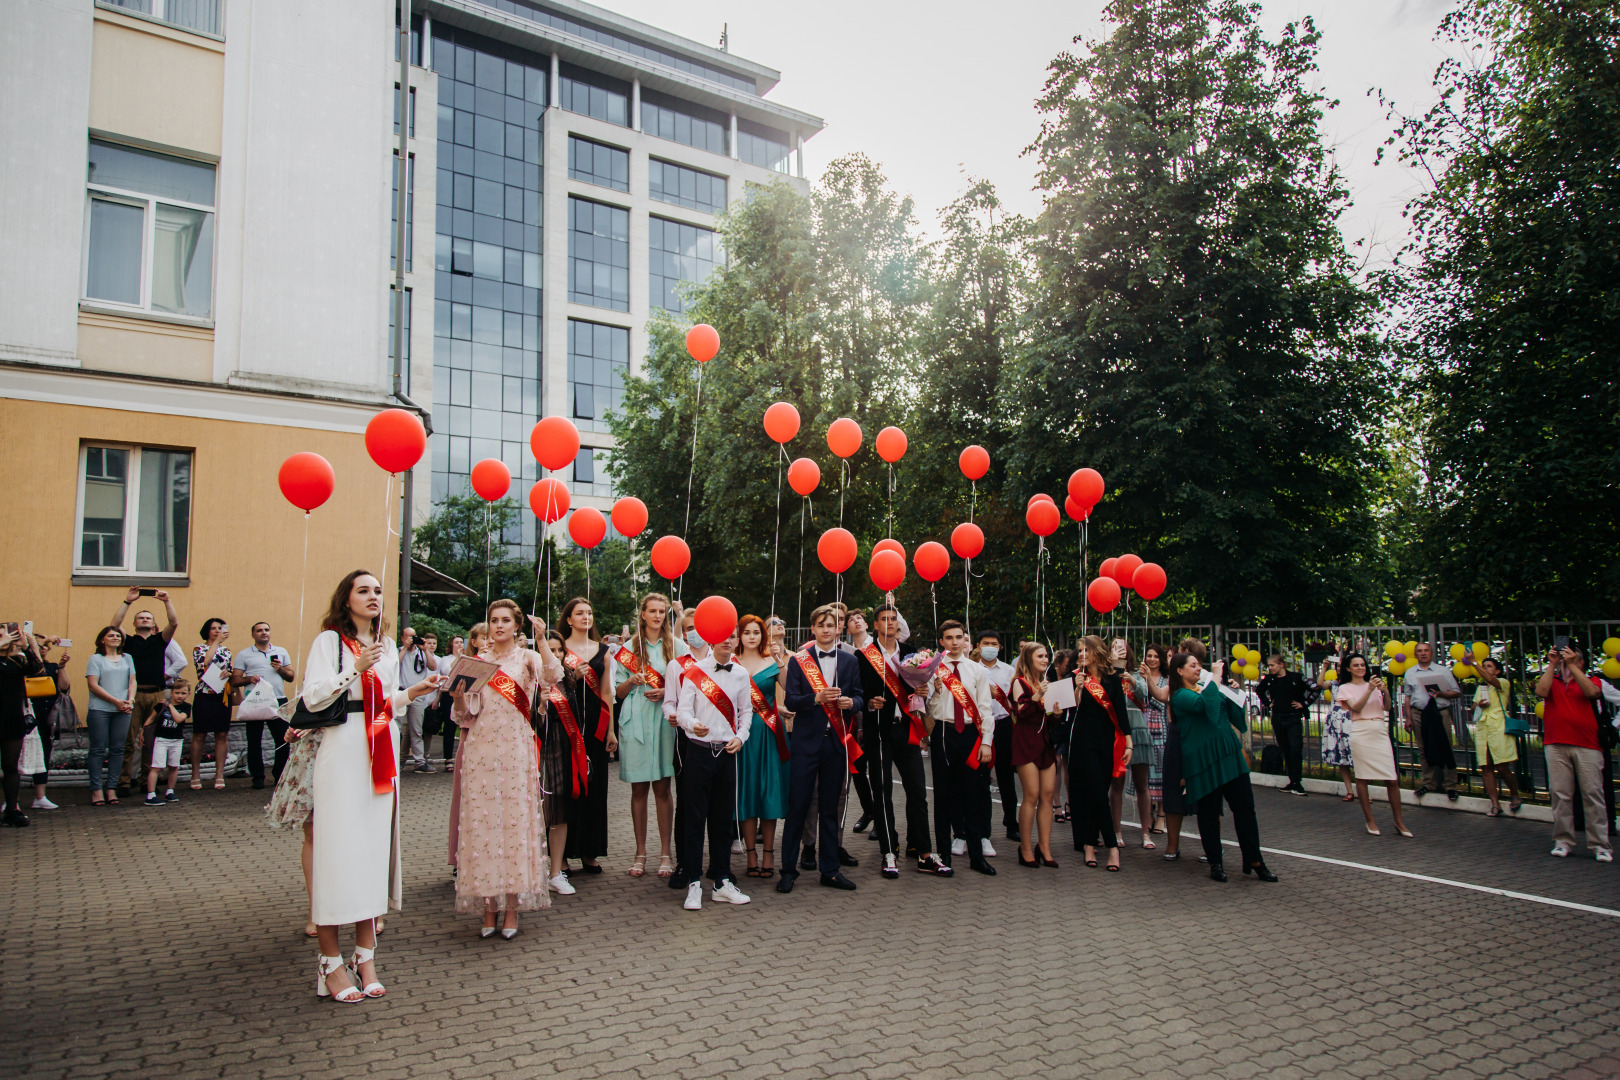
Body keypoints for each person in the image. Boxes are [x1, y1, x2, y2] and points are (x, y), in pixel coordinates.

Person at [298, 569, 440, 1002]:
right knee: (337, 853)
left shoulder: (388, 646)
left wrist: (413, 691)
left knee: (372, 853)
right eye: (364, 590)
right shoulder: (329, 642)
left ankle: (365, 956)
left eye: (378, 590)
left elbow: (385, 702)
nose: (374, 596)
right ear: (346, 599)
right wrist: (354, 669)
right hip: (342, 749)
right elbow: (312, 698)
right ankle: (329, 962)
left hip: (381, 750)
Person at [449, 599, 563, 938]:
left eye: (505, 621)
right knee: (483, 827)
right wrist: (457, 697)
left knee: (513, 826)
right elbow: (465, 716)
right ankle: (489, 907)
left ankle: (512, 908)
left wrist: (542, 640)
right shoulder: (475, 662)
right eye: (494, 620)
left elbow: (554, 676)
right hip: (481, 750)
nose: (499, 626)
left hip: (515, 748)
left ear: (516, 626)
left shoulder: (527, 659)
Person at [852, 603, 949, 877]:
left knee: (918, 791)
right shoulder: (862, 656)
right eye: (884, 619)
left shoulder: (913, 655)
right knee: (882, 793)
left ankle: (923, 851)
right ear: (876, 624)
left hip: (907, 729)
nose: (890, 623)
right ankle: (888, 851)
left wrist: (923, 689)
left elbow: (922, 693)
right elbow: (858, 694)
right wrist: (870, 703)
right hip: (879, 732)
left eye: (894, 619)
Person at [778, 604, 865, 892]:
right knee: (799, 807)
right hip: (805, 744)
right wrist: (816, 698)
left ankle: (830, 870)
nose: (827, 629)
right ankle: (788, 870)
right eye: (821, 625)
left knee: (830, 809)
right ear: (812, 629)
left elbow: (860, 697)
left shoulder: (850, 661)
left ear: (839, 628)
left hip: (836, 744)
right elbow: (791, 701)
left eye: (832, 625)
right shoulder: (798, 661)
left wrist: (851, 703)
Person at [1170, 650, 1277, 882]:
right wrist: (1216, 679)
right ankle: (1215, 862)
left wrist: (1233, 692)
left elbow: (1235, 717)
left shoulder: (1210, 688)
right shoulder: (1179, 695)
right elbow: (1203, 706)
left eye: (1199, 665)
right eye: (1192, 666)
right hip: (1203, 759)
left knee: (1245, 808)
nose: (1198, 669)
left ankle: (1254, 859)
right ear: (1179, 671)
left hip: (1229, 754)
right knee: (1209, 813)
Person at [672, 622, 753, 910]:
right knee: (694, 821)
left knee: (722, 823)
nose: (728, 641)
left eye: (732, 636)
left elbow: (747, 713)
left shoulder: (741, 673)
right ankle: (694, 882)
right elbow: (681, 711)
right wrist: (693, 724)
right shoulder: (694, 671)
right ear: (711, 639)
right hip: (698, 753)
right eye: (722, 636)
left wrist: (741, 738)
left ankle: (721, 881)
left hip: (727, 754)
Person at [613, 593, 684, 879]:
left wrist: (666, 691)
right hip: (636, 719)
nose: (657, 616)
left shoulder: (677, 647)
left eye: (661, 611)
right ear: (642, 614)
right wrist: (631, 680)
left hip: (664, 721)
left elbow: (686, 688)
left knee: (663, 788)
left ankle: (666, 852)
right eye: (652, 611)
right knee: (639, 789)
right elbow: (617, 692)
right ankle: (640, 852)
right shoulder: (627, 648)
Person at [922, 619, 996, 876]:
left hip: (971, 733)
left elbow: (985, 708)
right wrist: (936, 693)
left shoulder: (977, 670)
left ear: (966, 640)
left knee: (973, 793)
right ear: (941, 641)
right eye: (949, 638)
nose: (955, 642)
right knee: (943, 794)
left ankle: (977, 855)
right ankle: (943, 855)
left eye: (959, 637)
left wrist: (986, 741)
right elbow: (929, 710)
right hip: (943, 732)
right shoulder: (933, 669)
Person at [1536, 643, 1610, 861]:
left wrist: (1573, 667)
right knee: (1560, 793)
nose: (1565, 661)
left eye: (1571, 657)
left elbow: (1594, 693)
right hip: (1556, 743)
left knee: (1592, 794)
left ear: (1581, 661)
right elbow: (1540, 692)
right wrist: (1552, 665)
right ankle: (1563, 840)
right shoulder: (1553, 680)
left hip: (1587, 744)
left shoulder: (1592, 680)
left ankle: (1600, 844)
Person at [559, 597, 616, 876]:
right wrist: (572, 677)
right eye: (579, 613)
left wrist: (611, 730)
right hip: (566, 722)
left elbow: (607, 692)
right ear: (569, 619)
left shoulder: (603, 650)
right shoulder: (561, 648)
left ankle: (590, 851)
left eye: (590, 613)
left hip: (595, 722)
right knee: (569, 787)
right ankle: (563, 855)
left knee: (595, 787)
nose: (586, 617)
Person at [1068, 636, 1132, 871]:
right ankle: (1112, 848)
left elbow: (1121, 711)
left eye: (1086, 650)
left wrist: (1129, 742)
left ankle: (1088, 843)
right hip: (1083, 742)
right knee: (1094, 790)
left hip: (1107, 741)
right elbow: (1069, 709)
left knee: (1099, 792)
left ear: (1097, 652)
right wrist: (1077, 687)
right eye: (1080, 651)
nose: (1082, 654)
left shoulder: (1113, 678)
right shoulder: (1075, 677)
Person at [735, 614, 790, 880]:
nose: (752, 636)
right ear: (740, 636)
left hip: (770, 733)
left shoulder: (772, 661)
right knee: (747, 793)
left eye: (757, 632)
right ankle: (751, 854)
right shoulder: (732, 663)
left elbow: (790, 687)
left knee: (769, 793)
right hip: (743, 735)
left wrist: (780, 661)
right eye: (747, 632)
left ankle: (769, 852)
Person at [109, 587, 179, 796]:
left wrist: (166, 601)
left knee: (151, 740)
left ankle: (146, 781)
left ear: (153, 623)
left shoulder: (160, 640)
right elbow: (114, 625)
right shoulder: (128, 641)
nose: (145, 619)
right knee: (129, 740)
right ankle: (123, 781)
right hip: (133, 694)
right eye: (141, 617)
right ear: (135, 623)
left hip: (157, 694)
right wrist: (128, 602)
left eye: (148, 617)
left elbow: (174, 622)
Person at [1335, 653, 1411, 836]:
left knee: (1391, 779)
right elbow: (1357, 708)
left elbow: (1387, 707)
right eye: (1356, 665)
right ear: (1348, 668)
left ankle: (1398, 821)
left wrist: (1384, 691)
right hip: (1361, 730)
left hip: (1379, 730)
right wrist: (1369, 689)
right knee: (1362, 777)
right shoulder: (1345, 688)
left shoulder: (1374, 686)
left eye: (1362, 665)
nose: (1360, 668)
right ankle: (1370, 820)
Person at [662, 608, 707, 888]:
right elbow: (669, 702)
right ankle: (685, 864)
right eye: (688, 627)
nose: (694, 632)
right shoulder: (676, 665)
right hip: (687, 742)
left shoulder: (725, 662)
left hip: (718, 742)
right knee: (688, 806)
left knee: (716, 806)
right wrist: (672, 715)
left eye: (698, 626)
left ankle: (719, 865)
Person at [1009, 641, 1059, 868]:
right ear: (1029, 659)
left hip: (1044, 742)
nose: (1045, 660)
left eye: (1046, 656)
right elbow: (1023, 711)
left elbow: (1046, 717)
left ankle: (1045, 847)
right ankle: (1026, 848)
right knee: (1031, 794)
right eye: (1040, 656)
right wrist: (1038, 694)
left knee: (1047, 795)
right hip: (1025, 741)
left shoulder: (1046, 683)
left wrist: (1056, 712)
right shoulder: (1019, 682)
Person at [232, 622, 296, 789]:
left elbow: (290, 676)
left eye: (266, 630)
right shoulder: (244, 654)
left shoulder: (280, 652)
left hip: (278, 700)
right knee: (254, 740)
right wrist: (248, 679)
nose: (263, 633)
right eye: (259, 630)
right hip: (256, 701)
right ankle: (257, 777)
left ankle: (279, 775)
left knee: (282, 740)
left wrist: (280, 669)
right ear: (253, 634)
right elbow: (235, 679)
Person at [971, 629, 1017, 852]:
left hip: (1004, 724)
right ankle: (980, 828)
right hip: (980, 727)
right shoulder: (972, 668)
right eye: (985, 643)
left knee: (1006, 776)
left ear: (1000, 647)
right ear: (978, 646)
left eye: (994, 643)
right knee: (980, 776)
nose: (990, 646)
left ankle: (1011, 823)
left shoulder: (1010, 671)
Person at [1402, 642, 1462, 800]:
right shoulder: (1409, 673)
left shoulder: (1443, 671)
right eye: (1420, 651)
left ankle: (1450, 785)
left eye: (1426, 651)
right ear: (1415, 654)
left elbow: (1456, 692)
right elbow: (1407, 697)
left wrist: (1442, 693)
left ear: (1432, 653)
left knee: (1446, 747)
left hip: (1440, 713)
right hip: (1419, 713)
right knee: (1424, 749)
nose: (1423, 653)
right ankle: (1428, 783)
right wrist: (1408, 717)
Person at [1111, 637, 1155, 848]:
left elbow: (1144, 695)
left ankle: (1146, 832)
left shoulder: (1137, 673)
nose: (1118, 649)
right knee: (1117, 783)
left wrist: (1133, 680)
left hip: (1137, 728)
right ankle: (1116, 831)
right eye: (1113, 646)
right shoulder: (1107, 675)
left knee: (1141, 784)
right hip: (1117, 730)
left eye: (1121, 646)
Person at [0, 626, 46, 824]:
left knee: (11, 766)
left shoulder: (16, 661)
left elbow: (37, 669)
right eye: (3, 632)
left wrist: (29, 646)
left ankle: (12, 809)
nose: (8, 635)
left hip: (11, 718)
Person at [85, 625, 135, 806]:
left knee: (118, 749)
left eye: (118, 636)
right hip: (100, 710)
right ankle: (96, 790)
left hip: (123, 710)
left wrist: (130, 700)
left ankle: (111, 788)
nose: (115, 638)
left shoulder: (127, 658)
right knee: (98, 749)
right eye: (111, 635)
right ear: (102, 640)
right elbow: (93, 685)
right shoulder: (96, 659)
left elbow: (132, 681)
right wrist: (115, 701)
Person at [1472, 657, 1522, 816]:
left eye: (1489, 666)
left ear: (1497, 670)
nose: (1485, 668)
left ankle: (1515, 794)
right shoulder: (1481, 688)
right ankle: (1495, 803)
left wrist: (1474, 662)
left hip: (1498, 726)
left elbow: (1490, 679)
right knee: (1485, 766)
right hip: (1483, 727)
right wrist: (1479, 705)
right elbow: (1473, 706)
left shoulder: (1502, 683)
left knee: (1501, 765)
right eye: (1483, 666)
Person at [1259, 653, 1314, 796]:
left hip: (1293, 718)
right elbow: (1259, 690)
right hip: (1278, 718)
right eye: (1269, 665)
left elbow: (1315, 688)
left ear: (1281, 664)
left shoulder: (1296, 677)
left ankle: (1298, 782)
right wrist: (1267, 703)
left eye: (1272, 665)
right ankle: (1292, 780)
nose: (1270, 668)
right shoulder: (1270, 679)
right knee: (1286, 749)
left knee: (1295, 749)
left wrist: (1304, 704)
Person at [29, 634, 73, 812]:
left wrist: (61, 667)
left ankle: (40, 796)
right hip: (27, 715)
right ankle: (12, 799)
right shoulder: (25, 666)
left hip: (47, 717)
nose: (43, 648)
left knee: (44, 754)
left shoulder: (52, 667)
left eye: (45, 646)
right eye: (39, 645)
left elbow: (64, 687)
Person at [191, 618, 234, 792]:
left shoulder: (226, 651)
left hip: (222, 695)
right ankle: (195, 774)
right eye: (213, 628)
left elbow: (229, 668)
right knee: (199, 734)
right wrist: (216, 642)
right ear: (207, 631)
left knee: (222, 734)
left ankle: (219, 774)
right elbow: (204, 663)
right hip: (204, 694)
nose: (217, 631)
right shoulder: (199, 648)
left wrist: (228, 673)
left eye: (220, 628)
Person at [1138, 643, 1172, 834]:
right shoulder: (1139, 677)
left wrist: (1149, 680)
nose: (1151, 659)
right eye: (1149, 656)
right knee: (1146, 773)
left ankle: (1161, 814)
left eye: (1155, 656)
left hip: (1161, 728)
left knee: (1161, 772)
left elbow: (1162, 701)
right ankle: (1147, 813)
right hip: (1144, 727)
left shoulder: (1167, 679)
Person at [144, 679, 191, 806]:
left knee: (174, 766)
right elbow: (151, 719)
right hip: (161, 739)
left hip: (176, 740)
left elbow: (179, 719)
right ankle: (151, 794)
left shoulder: (186, 707)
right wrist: (142, 732)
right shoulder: (160, 706)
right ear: (171, 693)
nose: (180, 696)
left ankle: (170, 791)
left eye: (183, 693)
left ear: (188, 694)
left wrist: (169, 705)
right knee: (156, 766)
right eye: (177, 693)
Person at [1318, 651, 1357, 801]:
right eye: (1338, 666)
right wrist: (1324, 668)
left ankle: (1364, 791)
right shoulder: (1334, 684)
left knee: (1356, 756)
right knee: (1342, 757)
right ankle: (1349, 790)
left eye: (1343, 666)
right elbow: (1320, 684)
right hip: (1335, 722)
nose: (1340, 668)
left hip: (1351, 720)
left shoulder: (1354, 685)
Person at [397, 628, 437, 773]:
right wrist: (405, 648)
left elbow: (433, 666)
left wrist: (425, 649)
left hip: (418, 695)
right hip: (401, 693)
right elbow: (394, 666)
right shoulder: (399, 651)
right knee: (397, 729)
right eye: (408, 637)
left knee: (416, 730)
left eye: (414, 636)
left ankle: (419, 761)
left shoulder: (421, 652)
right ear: (402, 638)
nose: (412, 639)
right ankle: (396, 760)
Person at [1049, 648, 1076, 824]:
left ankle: (1069, 802)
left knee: (1068, 763)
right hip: (1055, 724)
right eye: (1067, 665)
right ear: (1058, 664)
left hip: (1068, 724)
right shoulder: (1049, 676)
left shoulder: (1073, 678)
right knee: (1056, 763)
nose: (1069, 668)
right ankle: (1056, 803)